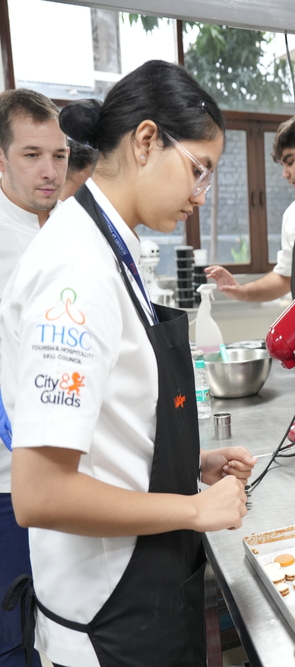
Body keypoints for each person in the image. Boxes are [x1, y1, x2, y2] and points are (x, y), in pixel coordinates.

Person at [0, 60, 254, 667]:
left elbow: (109, 418)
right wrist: (194, 508)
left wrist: (186, 464)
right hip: (107, 621)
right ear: (145, 141)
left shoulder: (111, 246)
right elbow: (40, 491)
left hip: (145, 594)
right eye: (198, 169)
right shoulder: (75, 268)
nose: (200, 195)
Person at [0, 87, 67, 667]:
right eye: (31, 155)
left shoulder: (59, 232)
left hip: (59, 472)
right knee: (14, 634)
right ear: (1, 159)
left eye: (59, 155)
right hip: (7, 481)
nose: (49, 171)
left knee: (48, 626)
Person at [206, 114, 295, 300]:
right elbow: (285, 277)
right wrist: (243, 291)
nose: (284, 174)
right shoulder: (294, 213)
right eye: (282, 165)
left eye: (290, 162)